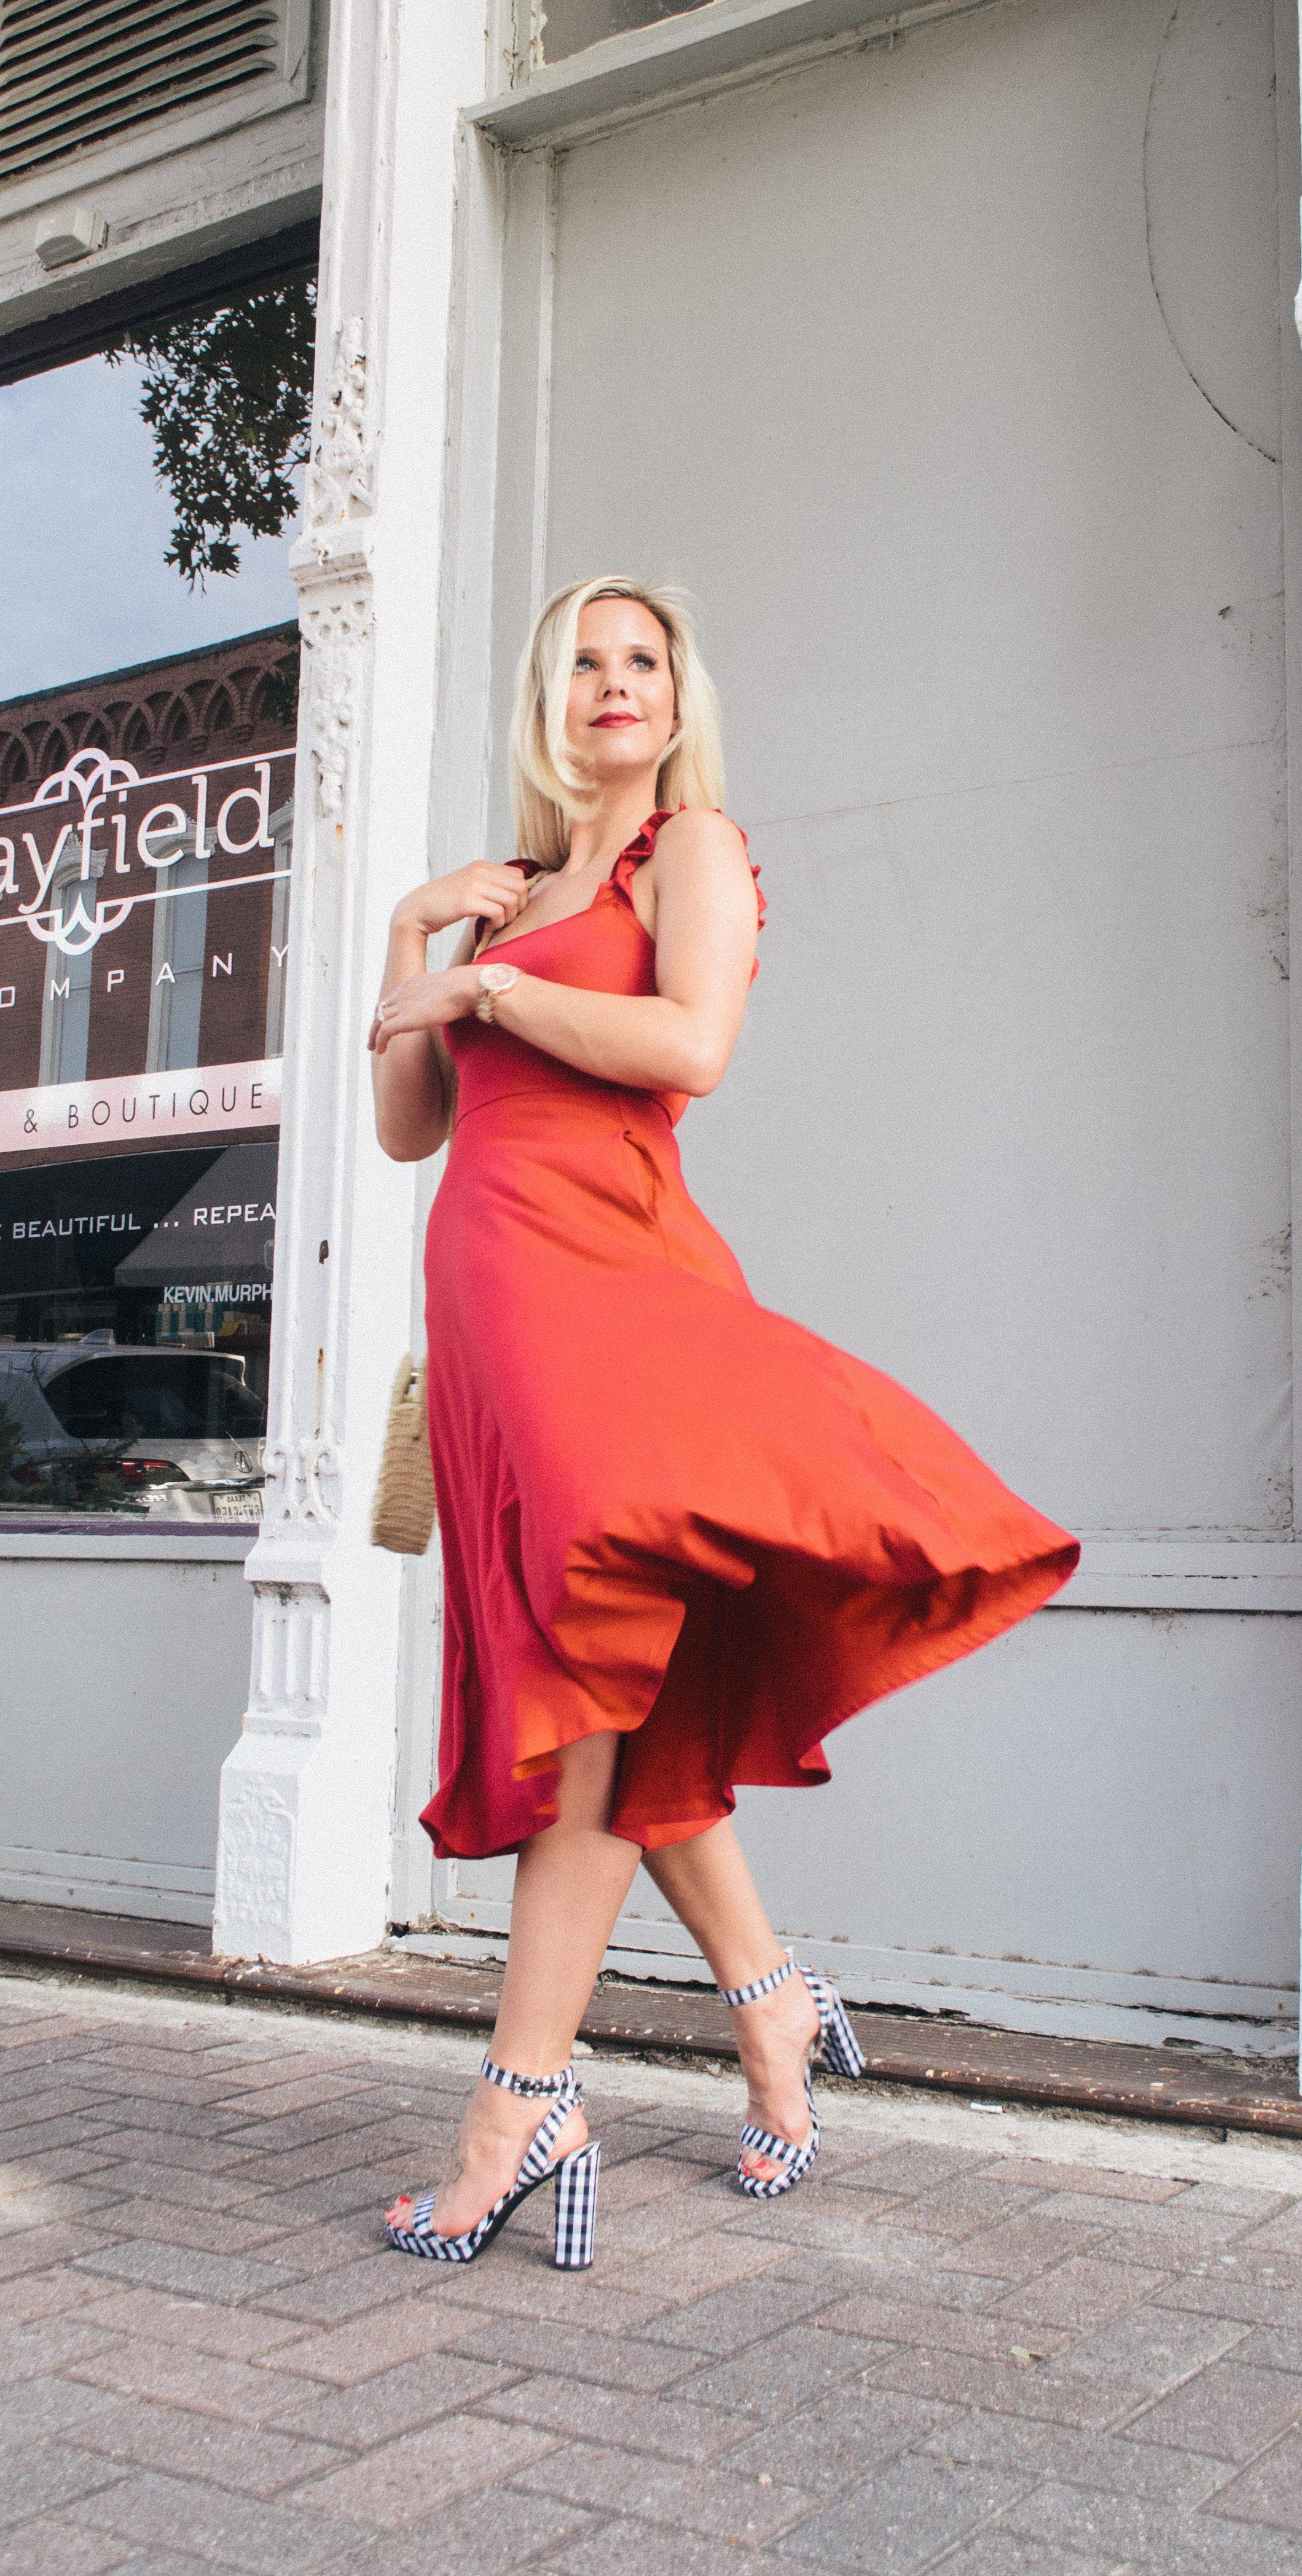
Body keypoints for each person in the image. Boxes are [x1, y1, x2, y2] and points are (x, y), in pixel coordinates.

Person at [367, 575, 1078, 2269]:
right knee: (633, 1681)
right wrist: (417, 939)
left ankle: (520, 2098)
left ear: (678, 701)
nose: (616, 685)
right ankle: (773, 2014)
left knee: (591, 1676)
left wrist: (492, 994)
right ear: (550, 697)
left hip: (605, 1292)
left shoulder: (686, 848)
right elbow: (407, 1125)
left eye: (644, 661)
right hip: (487, 1306)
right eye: (587, 663)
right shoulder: (506, 889)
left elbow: (692, 1042)